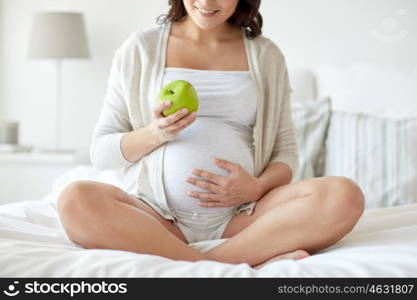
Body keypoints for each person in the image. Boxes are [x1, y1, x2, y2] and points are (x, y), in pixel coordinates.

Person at [57, 0, 365, 269]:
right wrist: (155, 133)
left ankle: (203, 262)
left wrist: (255, 189)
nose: (206, 1)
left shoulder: (265, 55)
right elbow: (101, 153)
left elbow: (286, 153)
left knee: (344, 195)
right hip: (158, 217)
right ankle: (229, 262)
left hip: (242, 217)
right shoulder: (141, 49)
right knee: (74, 200)